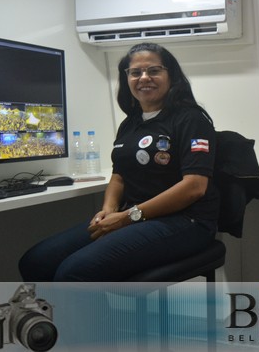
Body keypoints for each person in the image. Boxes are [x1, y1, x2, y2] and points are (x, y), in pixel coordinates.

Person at [19, 42, 220, 281]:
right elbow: (119, 176)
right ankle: (49, 318)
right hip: (135, 216)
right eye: (136, 72)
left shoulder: (191, 119)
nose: (144, 77)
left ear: (171, 76)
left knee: (74, 271)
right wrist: (107, 211)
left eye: (154, 70)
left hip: (186, 222)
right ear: (127, 79)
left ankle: (91, 320)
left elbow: (194, 186)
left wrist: (127, 217)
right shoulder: (130, 123)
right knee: (36, 261)